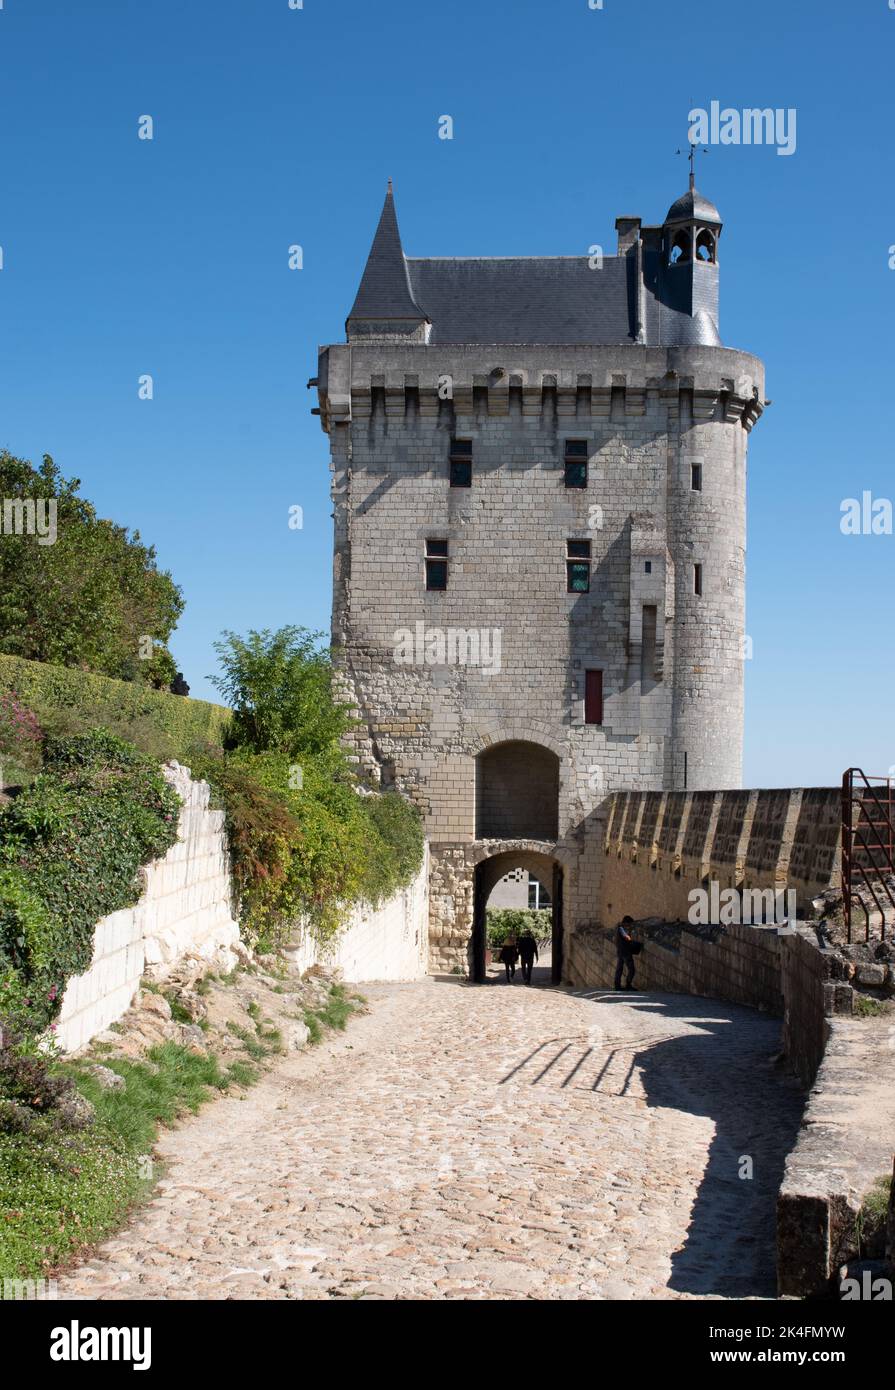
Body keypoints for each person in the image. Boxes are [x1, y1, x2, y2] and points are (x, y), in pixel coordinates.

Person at [614, 915, 638, 991]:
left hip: (620, 952)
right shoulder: (621, 928)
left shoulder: (618, 928)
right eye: (629, 924)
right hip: (625, 952)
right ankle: (628, 985)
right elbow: (627, 937)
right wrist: (631, 940)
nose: (629, 926)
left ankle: (617, 986)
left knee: (619, 969)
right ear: (626, 923)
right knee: (631, 969)